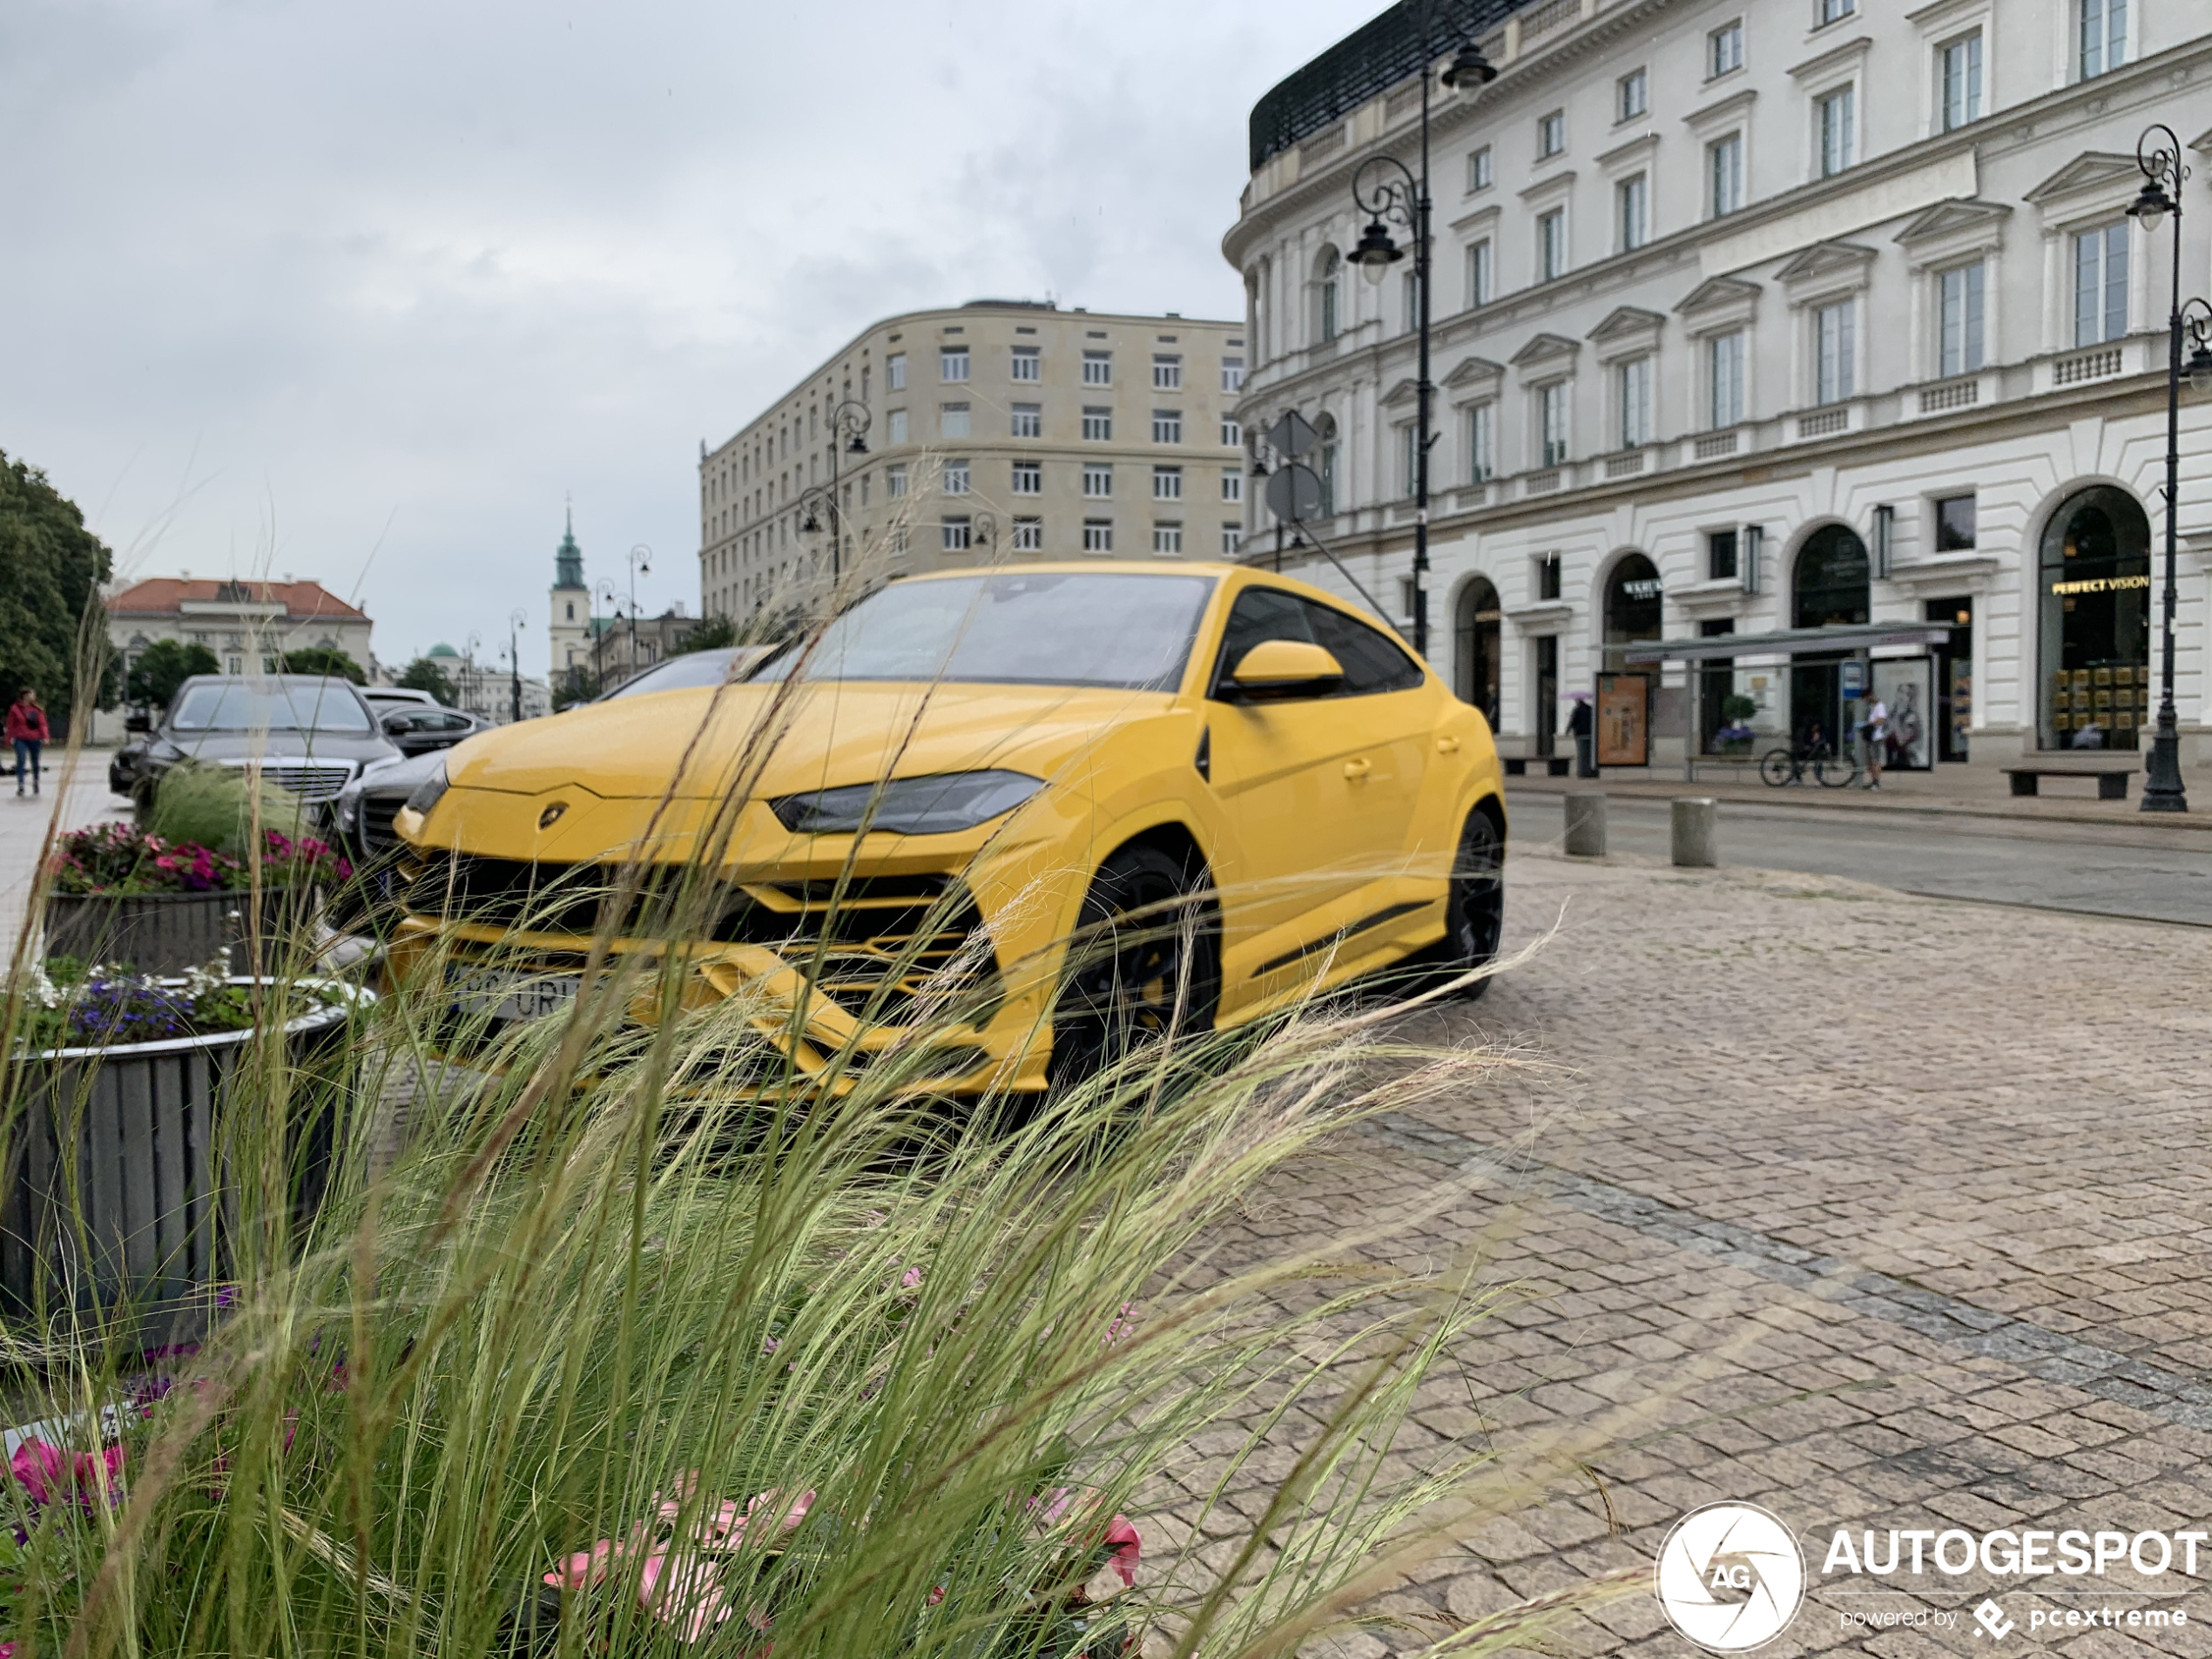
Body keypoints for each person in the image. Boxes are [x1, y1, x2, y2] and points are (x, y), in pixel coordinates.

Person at [6, 688, 50, 796]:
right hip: (20, 738)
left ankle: (36, 781)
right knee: (21, 759)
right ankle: (21, 784)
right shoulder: (15, 709)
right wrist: (8, 739)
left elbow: (42, 724)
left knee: (35, 761)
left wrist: (45, 737)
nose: (34, 696)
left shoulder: (36, 709)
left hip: (35, 738)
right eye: (31, 694)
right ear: (25, 696)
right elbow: (10, 725)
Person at [1858, 689, 1887, 789]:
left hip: (1876, 737)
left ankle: (1876, 782)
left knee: (1876, 760)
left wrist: (1869, 724)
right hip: (1870, 737)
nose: (1865, 700)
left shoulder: (1880, 706)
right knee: (1870, 761)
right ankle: (1873, 780)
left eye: (1866, 698)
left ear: (1870, 696)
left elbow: (1881, 720)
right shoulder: (1871, 707)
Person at [1568, 695, 1595, 778]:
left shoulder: (1577, 710)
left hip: (1580, 734)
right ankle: (1591, 771)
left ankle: (1583, 772)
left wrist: (1567, 730)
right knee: (1590, 753)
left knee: (1581, 754)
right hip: (1590, 734)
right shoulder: (1590, 708)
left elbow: (1572, 721)